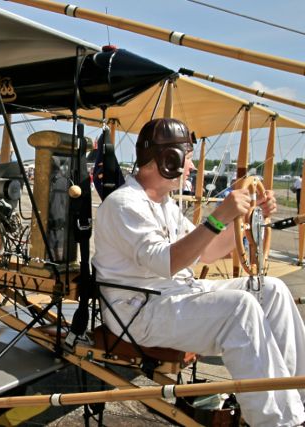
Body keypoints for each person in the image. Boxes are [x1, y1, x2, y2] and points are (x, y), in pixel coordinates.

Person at [93, 118, 305, 426]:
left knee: (269, 289)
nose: (192, 168)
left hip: (174, 296)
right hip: (140, 312)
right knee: (239, 309)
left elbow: (207, 251)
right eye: (188, 158)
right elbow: (167, 262)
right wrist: (219, 217)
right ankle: (279, 421)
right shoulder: (125, 204)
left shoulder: (164, 203)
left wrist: (245, 219)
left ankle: (297, 399)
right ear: (168, 160)